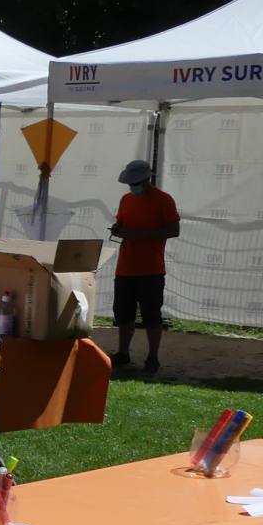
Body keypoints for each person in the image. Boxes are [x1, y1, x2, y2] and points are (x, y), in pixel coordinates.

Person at [109, 159, 180, 375]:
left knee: (152, 315)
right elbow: (121, 222)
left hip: (151, 269)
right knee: (123, 315)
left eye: (135, 183)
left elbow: (173, 229)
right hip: (125, 268)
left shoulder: (164, 200)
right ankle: (123, 353)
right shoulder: (126, 200)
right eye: (130, 184)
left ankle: (153, 357)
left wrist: (141, 235)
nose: (132, 187)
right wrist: (117, 228)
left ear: (146, 179)